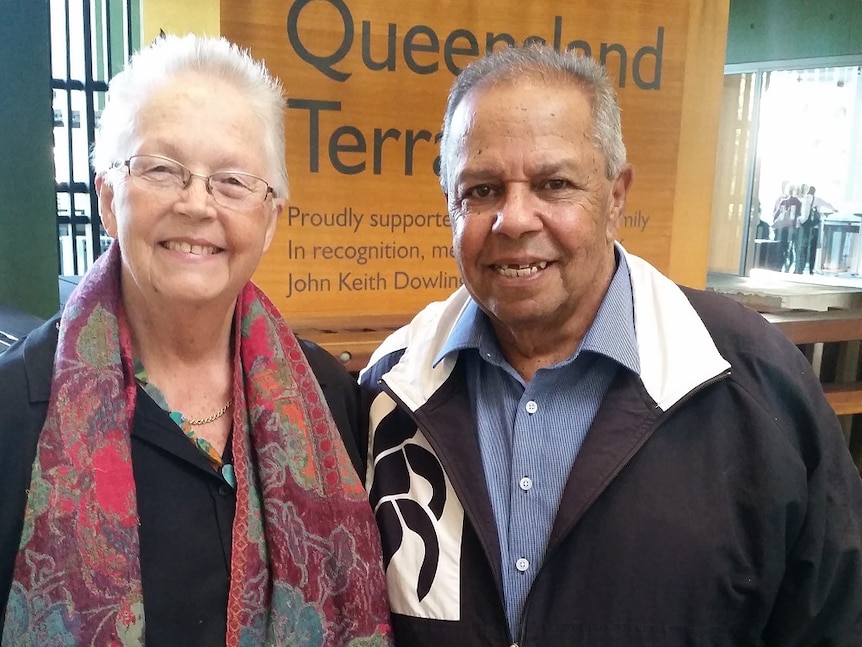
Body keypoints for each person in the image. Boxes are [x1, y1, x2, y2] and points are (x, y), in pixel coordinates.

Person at [358, 45, 862, 646]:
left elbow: (832, 622)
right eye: (483, 190)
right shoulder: (390, 388)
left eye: (554, 183)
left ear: (616, 196)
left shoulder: (759, 387)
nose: (514, 219)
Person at [0, 34, 391, 646]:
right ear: (107, 196)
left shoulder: (332, 400)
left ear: (270, 220)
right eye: (162, 169)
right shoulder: (16, 410)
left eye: (233, 181)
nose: (196, 204)